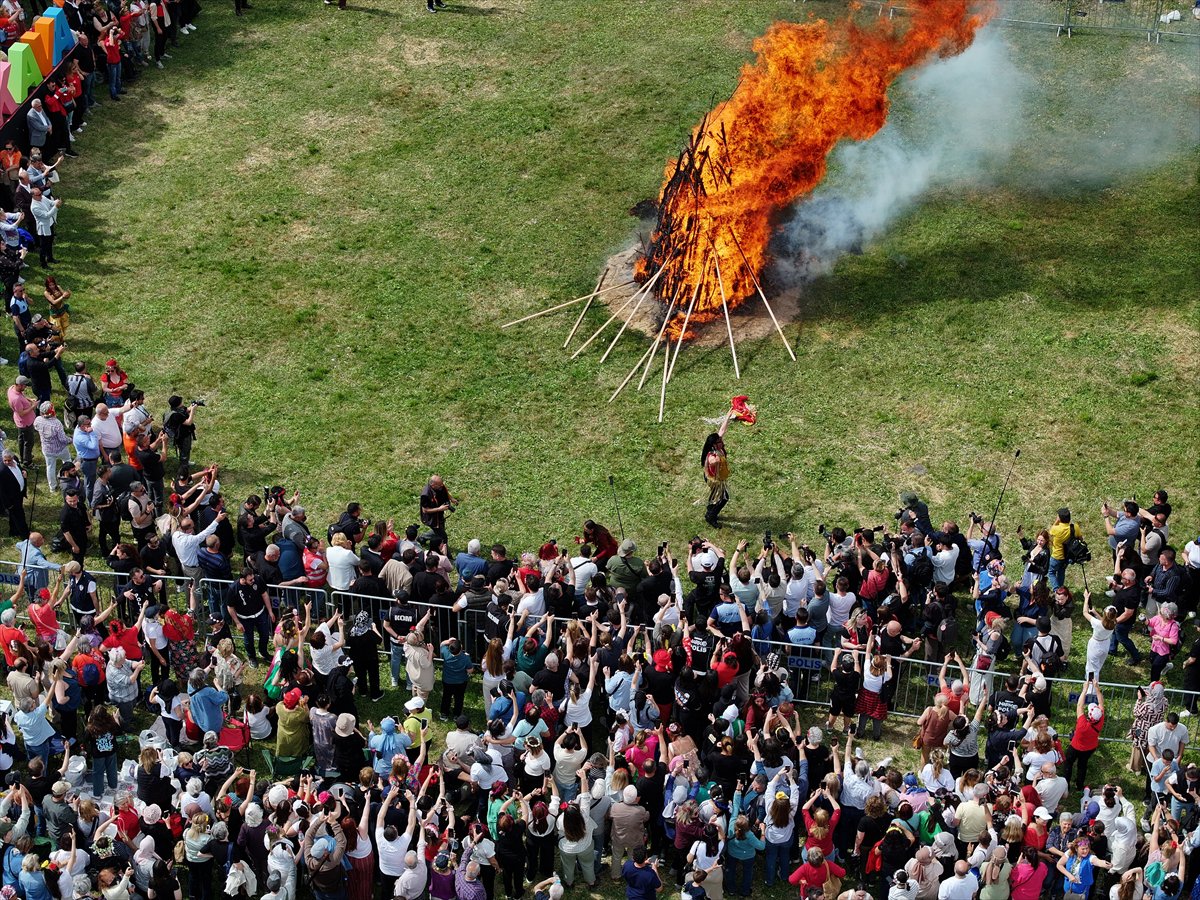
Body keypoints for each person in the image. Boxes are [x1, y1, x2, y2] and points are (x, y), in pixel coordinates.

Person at [1062, 676, 1104, 791]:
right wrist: (1097, 689)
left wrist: (1085, 689)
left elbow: (1079, 706)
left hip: (1075, 746)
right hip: (1090, 748)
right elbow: (1101, 702)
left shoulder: (1081, 725)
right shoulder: (1100, 720)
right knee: (1082, 765)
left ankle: (1066, 783)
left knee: (1069, 763)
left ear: (1089, 716)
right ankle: (1079, 785)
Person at [701, 409, 732, 527]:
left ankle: (710, 507)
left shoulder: (717, 446)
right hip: (715, 480)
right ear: (714, 444)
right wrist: (717, 460)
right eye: (719, 441)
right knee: (724, 498)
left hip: (716, 478)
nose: (722, 441)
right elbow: (712, 462)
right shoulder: (712, 457)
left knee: (716, 495)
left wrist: (728, 416)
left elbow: (722, 429)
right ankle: (711, 516)